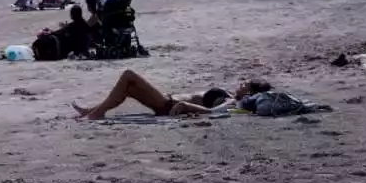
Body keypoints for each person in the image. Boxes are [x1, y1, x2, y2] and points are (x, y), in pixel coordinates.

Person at [70, 70, 271, 120]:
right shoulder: (233, 98)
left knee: (128, 75)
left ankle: (96, 113)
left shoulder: (232, 102)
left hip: (169, 104)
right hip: (169, 101)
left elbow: (212, 113)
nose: (241, 83)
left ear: (251, 92)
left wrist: (184, 106)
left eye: (246, 84)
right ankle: (94, 110)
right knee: (129, 87)